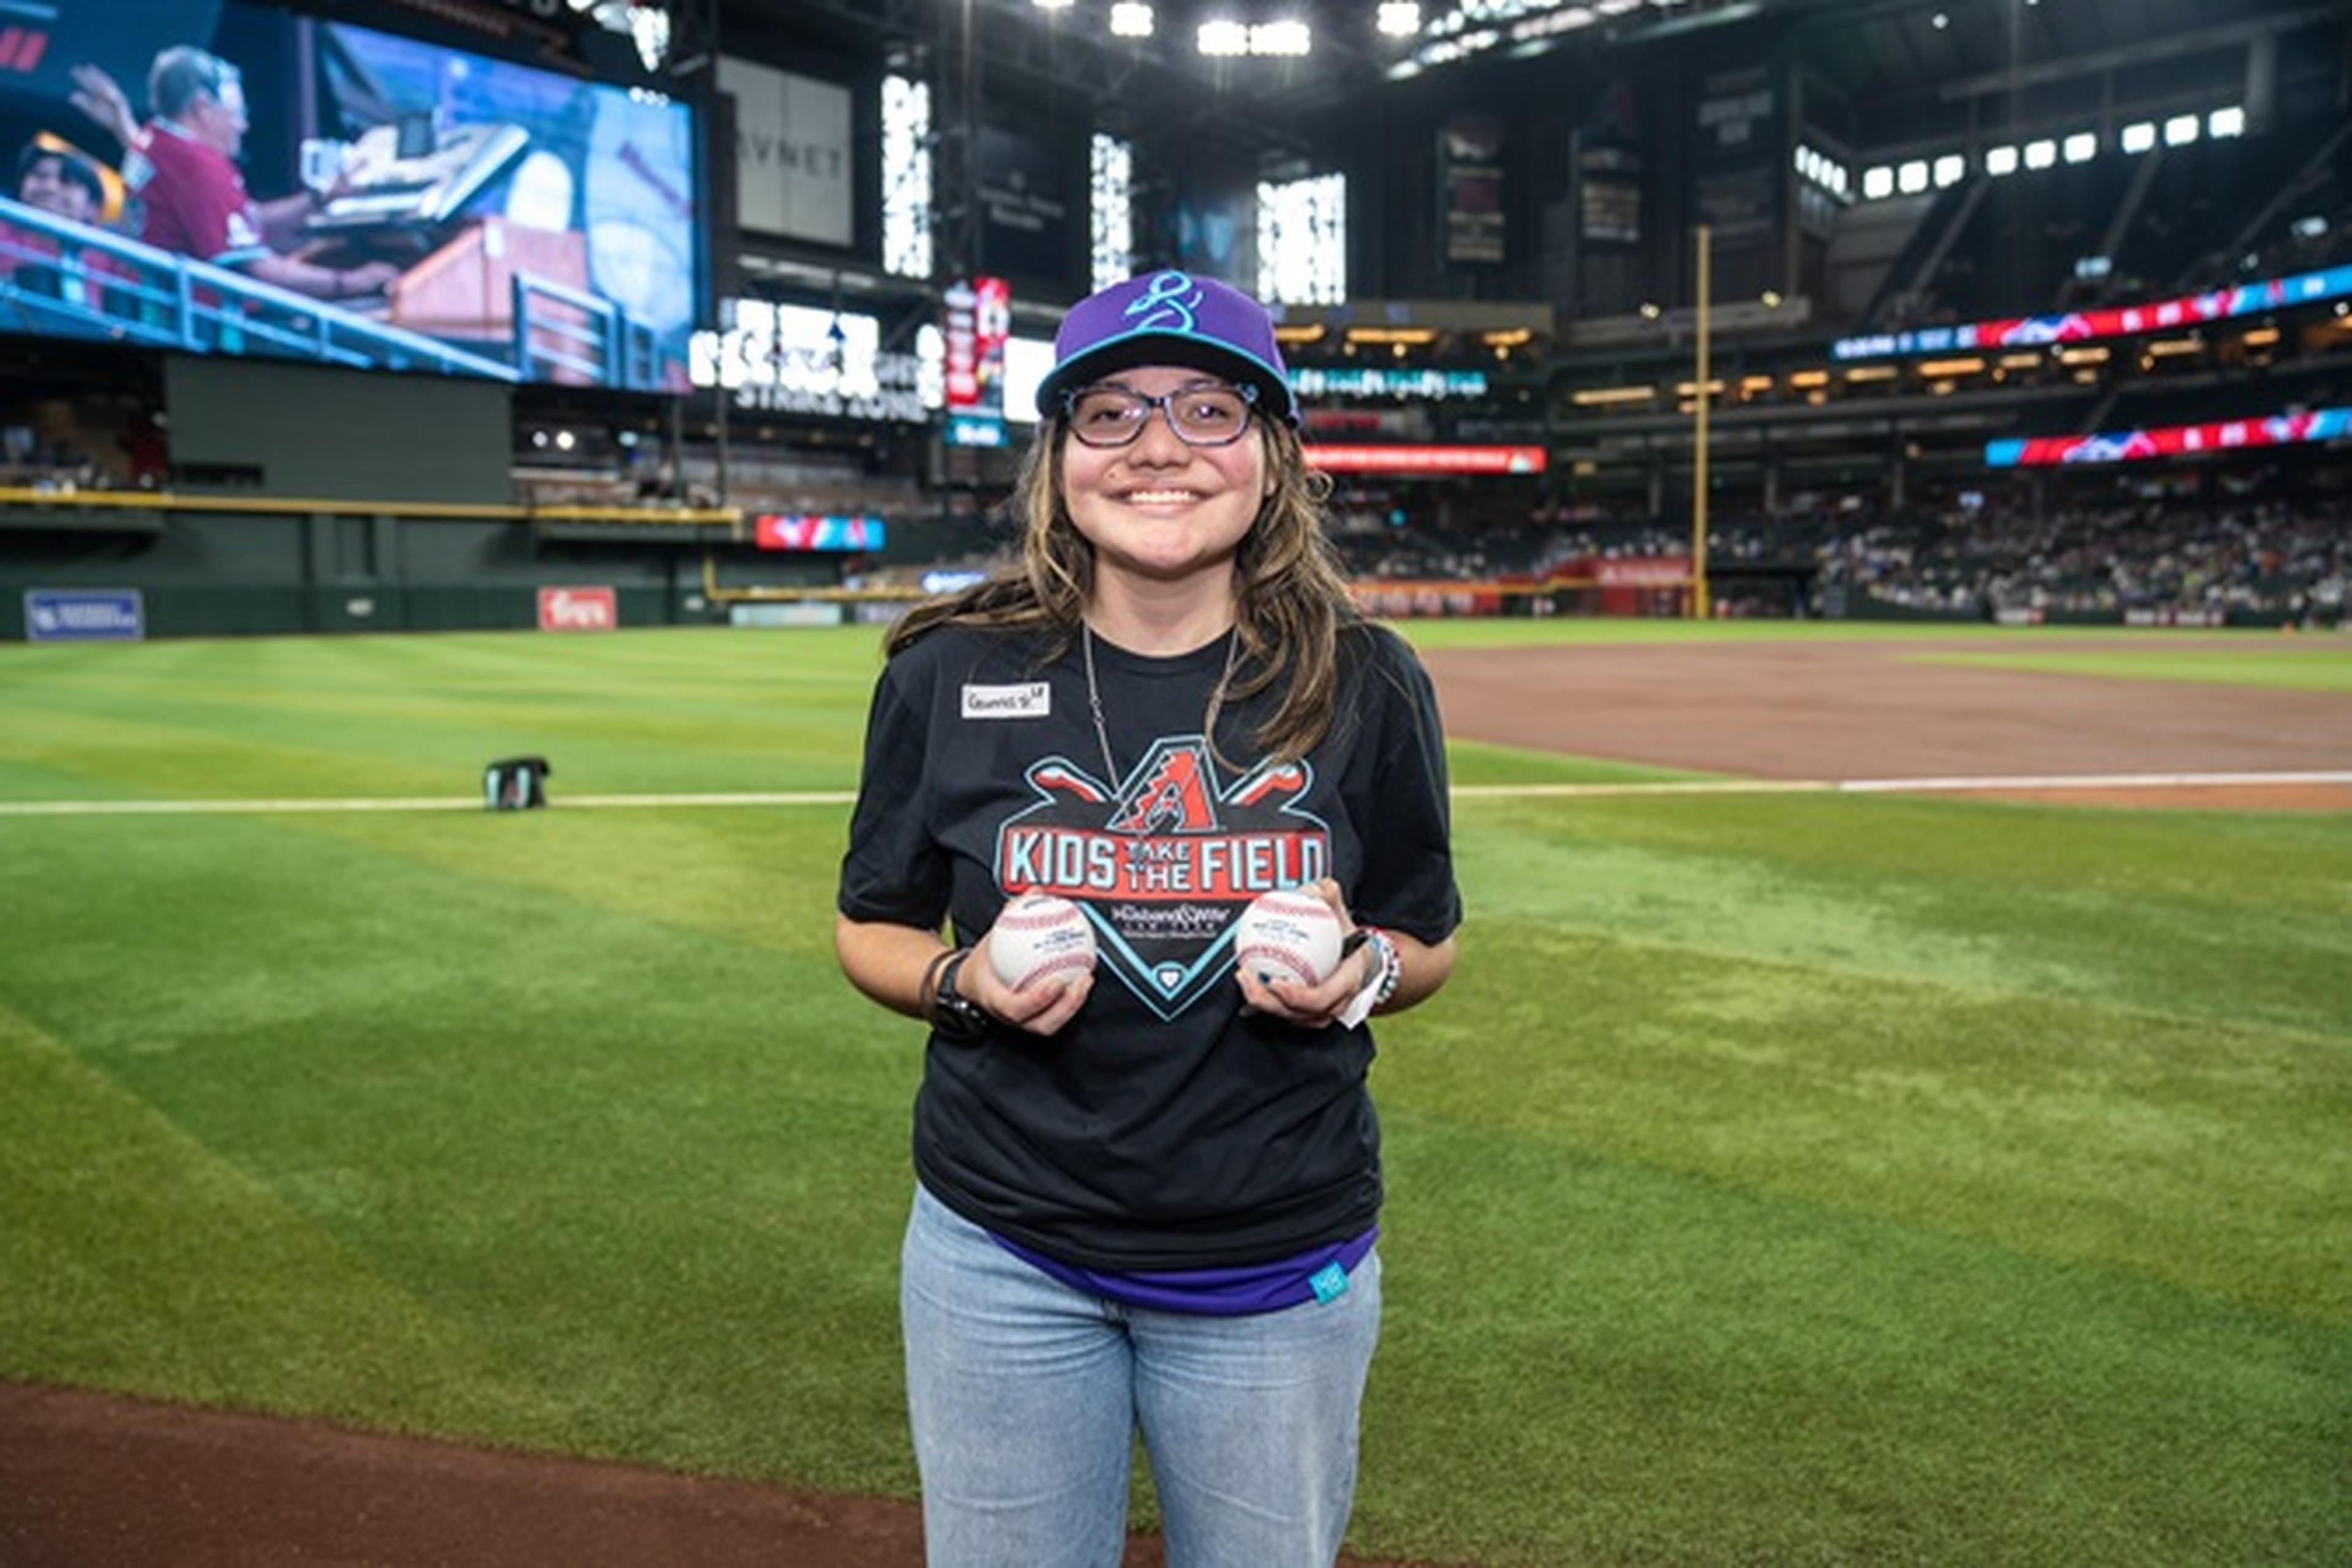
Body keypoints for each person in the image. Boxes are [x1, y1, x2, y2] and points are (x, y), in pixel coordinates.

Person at [835, 269, 1461, 1568]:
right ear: (1059, 454)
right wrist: (967, 982)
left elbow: (1427, 937)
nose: (1161, 445)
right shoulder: (949, 672)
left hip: (1275, 1254)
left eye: (1208, 408)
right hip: (1002, 1246)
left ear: (1273, 454)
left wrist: (1358, 971)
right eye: (1111, 412)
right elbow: (869, 926)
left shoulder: (1366, 679)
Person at [67, 47, 398, 303]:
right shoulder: (199, 168)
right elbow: (258, 272)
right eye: (237, 113)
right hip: (196, 327)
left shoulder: (155, 139)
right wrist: (353, 281)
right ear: (202, 107)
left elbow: (245, 217)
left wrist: (319, 199)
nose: (243, 125)